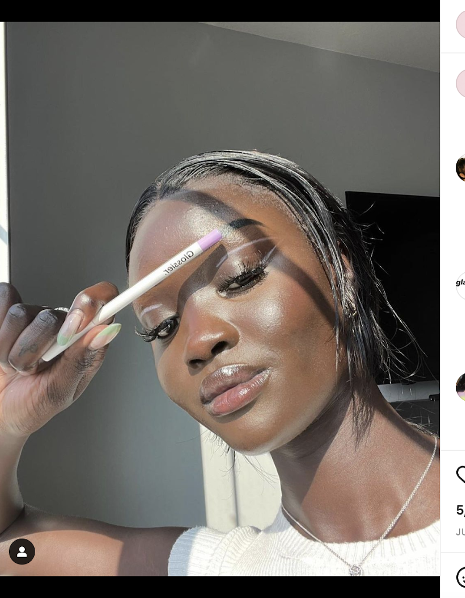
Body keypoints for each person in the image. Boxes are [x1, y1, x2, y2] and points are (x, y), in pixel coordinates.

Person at [0, 150, 440, 576]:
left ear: (340, 270)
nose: (197, 342)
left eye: (241, 277)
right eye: (162, 327)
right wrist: (6, 422)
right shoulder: (213, 566)